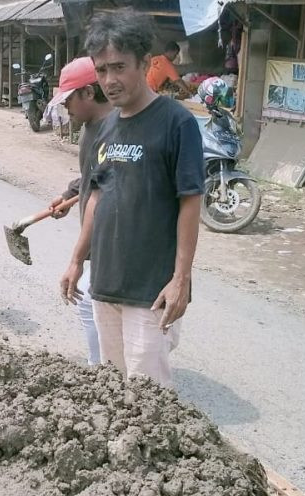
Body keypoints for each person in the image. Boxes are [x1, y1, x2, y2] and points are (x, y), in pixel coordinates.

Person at [60, 10, 204, 388]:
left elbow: (190, 202)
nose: (110, 80)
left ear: (145, 63)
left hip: (150, 292)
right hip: (105, 283)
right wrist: (77, 260)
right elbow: (95, 197)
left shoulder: (177, 124)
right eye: (102, 69)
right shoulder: (104, 127)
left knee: (148, 399)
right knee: (113, 390)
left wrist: (181, 279)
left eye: (120, 67)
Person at [47, 57, 113, 367]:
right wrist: (70, 194)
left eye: (68, 99)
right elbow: (90, 176)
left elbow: (102, 191)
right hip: (97, 235)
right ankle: (103, 365)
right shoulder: (89, 128)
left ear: (88, 93)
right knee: (92, 302)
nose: (66, 108)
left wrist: (77, 258)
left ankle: (103, 370)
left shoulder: (112, 133)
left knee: (89, 299)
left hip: (111, 233)